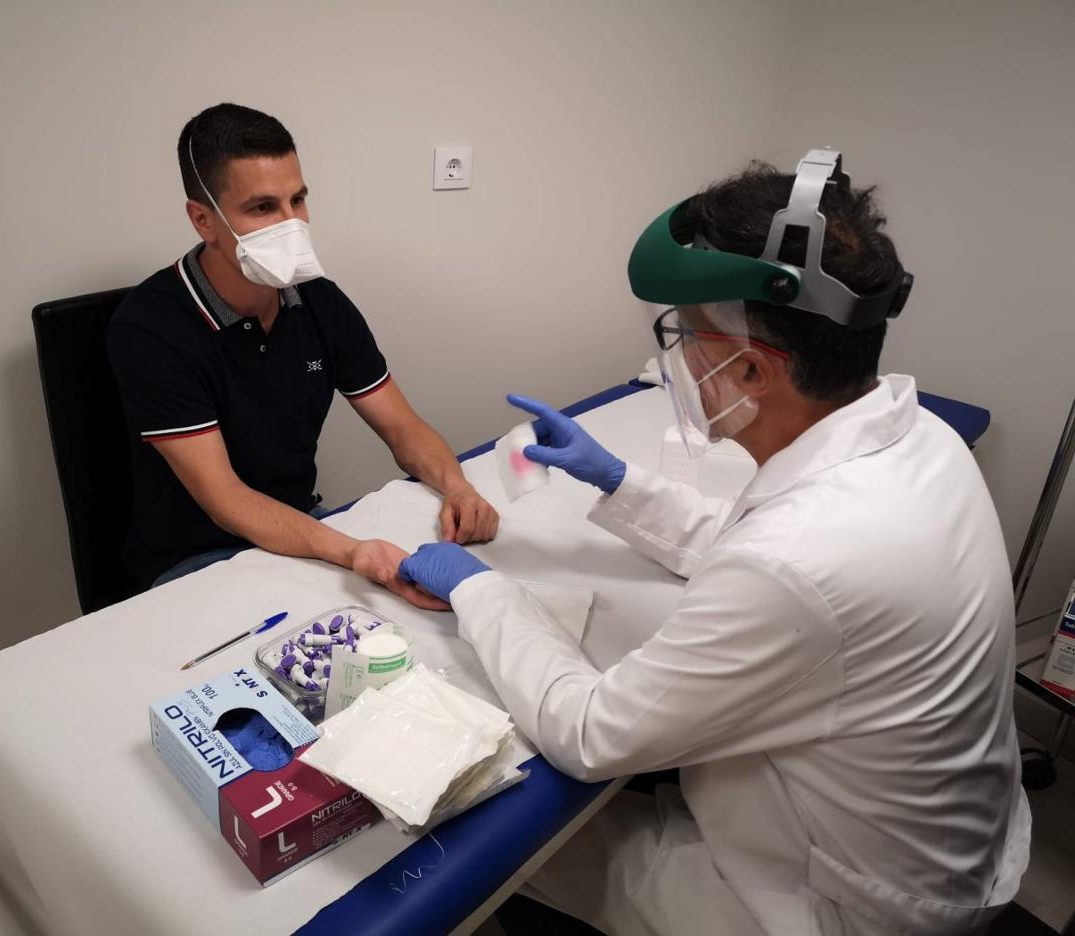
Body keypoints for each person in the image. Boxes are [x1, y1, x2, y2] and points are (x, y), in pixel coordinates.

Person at [399, 151, 1030, 934]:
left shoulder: (802, 557)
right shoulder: (921, 436)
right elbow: (769, 554)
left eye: (685, 335)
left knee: (489, 847)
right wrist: (617, 481)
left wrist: (479, 589)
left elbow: (591, 732)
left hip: (831, 904)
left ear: (754, 370)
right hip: (931, 845)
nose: (676, 358)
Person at [107, 104, 497, 603]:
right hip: (195, 560)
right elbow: (226, 500)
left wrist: (457, 486)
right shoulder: (151, 327)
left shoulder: (318, 299)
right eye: (263, 208)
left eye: (298, 199)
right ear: (204, 219)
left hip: (301, 530)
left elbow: (403, 427)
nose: (291, 225)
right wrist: (353, 551)